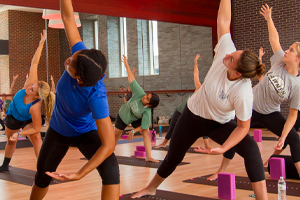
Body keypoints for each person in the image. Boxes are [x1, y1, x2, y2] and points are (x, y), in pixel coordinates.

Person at [131, 0, 268, 199]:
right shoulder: (225, 50)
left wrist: (223, 147)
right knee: (174, 157)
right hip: (192, 115)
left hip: (219, 123)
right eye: (232, 53)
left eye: (231, 59)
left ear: (238, 74)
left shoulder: (244, 92)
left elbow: (242, 127)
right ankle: (151, 187)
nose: (227, 55)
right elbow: (223, 19)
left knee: (252, 151)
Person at [29, 0, 120, 199]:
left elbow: (109, 145)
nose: (69, 59)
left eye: (71, 65)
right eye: (75, 56)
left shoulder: (96, 96)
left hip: (84, 133)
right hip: (58, 130)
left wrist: (80, 173)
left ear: (79, 80)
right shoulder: (83, 57)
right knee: (42, 175)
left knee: (112, 169)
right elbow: (68, 17)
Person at [206, 3, 300, 181]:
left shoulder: (297, 85)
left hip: (271, 113)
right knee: (234, 134)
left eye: (292, 50)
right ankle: (221, 170)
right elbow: (274, 39)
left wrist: (284, 136)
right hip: (251, 106)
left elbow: (293, 116)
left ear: (298, 59)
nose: (286, 50)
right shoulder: (280, 60)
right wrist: (269, 19)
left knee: (294, 138)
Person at [0, 31, 55, 172]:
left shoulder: (34, 107)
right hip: (13, 117)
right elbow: (35, 62)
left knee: (36, 137)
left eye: (31, 89)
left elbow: (36, 128)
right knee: (10, 141)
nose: (28, 87)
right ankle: (5, 166)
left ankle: (43, 168)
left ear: (36, 96)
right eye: (31, 85)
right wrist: (41, 42)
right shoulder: (30, 84)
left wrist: (19, 133)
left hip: (28, 121)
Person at [155, 54, 210, 150]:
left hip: (191, 114)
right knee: (172, 127)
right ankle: (164, 143)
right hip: (181, 110)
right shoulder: (199, 88)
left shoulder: (207, 98)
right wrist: (195, 62)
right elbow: (195, 74)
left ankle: (207, 146)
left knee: (203, 126)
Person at [114, 55, 160, 163]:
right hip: (123, 115)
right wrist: (126, 64)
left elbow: (143, 126)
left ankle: (148, 156)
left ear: (149, 105)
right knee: (116, 135)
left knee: (146, 132)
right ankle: (109, 154)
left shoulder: (147, 112)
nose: (144, 96)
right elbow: (131, 78)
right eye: (147, 95)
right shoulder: (140, 93)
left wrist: (133, 131)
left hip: (135, 118)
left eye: (147, 98)